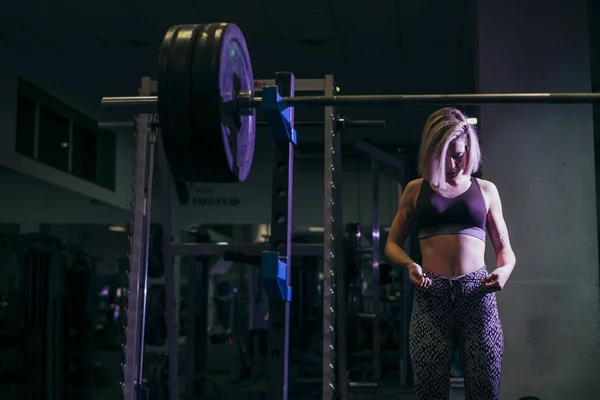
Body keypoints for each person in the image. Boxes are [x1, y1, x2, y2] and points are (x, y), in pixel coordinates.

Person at [384, 107, 516, 400]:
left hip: (477, 296)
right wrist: (408, 264)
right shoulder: (415, 190)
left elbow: (505, 251)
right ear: (433, 152)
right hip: (432, 297)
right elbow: (391, 245)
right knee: (430, 393)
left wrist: (504, 271)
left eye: (460, 154)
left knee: (485, 392)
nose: (454, 163)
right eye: (447, 156)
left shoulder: (486, 190)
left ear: (469, 149)